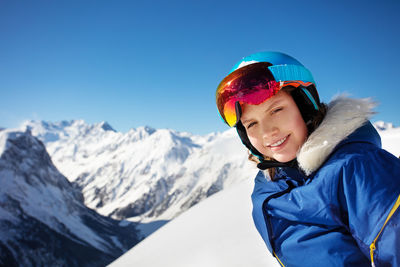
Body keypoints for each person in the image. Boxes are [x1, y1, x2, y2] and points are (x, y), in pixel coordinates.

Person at [215, 51, 400, 266]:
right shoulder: (268, 187)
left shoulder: (358, 169)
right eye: (251, 124)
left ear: (305, 105)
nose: (267, 132)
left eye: (276, 110)